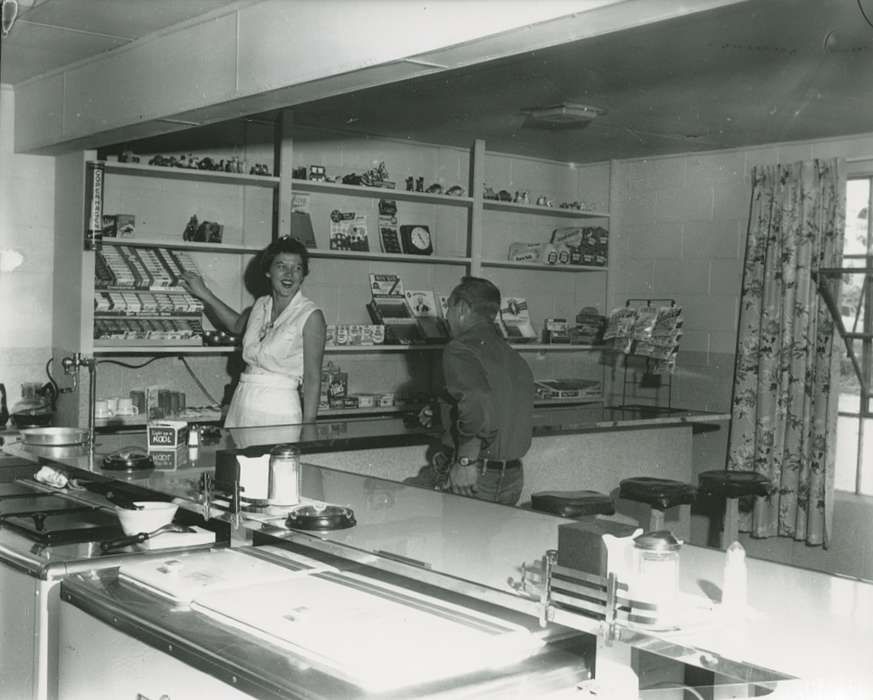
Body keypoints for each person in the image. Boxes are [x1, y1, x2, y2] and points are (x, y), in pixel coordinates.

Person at [180, 236, 326, 428]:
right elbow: (236, 325)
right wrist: (205, 294)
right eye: (281, 266)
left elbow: (312, 379)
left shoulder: (311, 316)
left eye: (297, 268)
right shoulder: (260, 304)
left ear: (303, 274)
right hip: (242, 402)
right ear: (268, 271)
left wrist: (308, 427)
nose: (289, 274)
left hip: (279, 409)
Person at [426, 276, 535, 505]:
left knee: (460, 541)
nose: (446, 317)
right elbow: (495, 403)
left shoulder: (460, 348)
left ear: (463, 308)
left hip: (475, 475)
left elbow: (478, 401)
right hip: (512, 475)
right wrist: (441, 411)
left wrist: (465, 461)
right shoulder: (510, 354)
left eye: (449, 308)